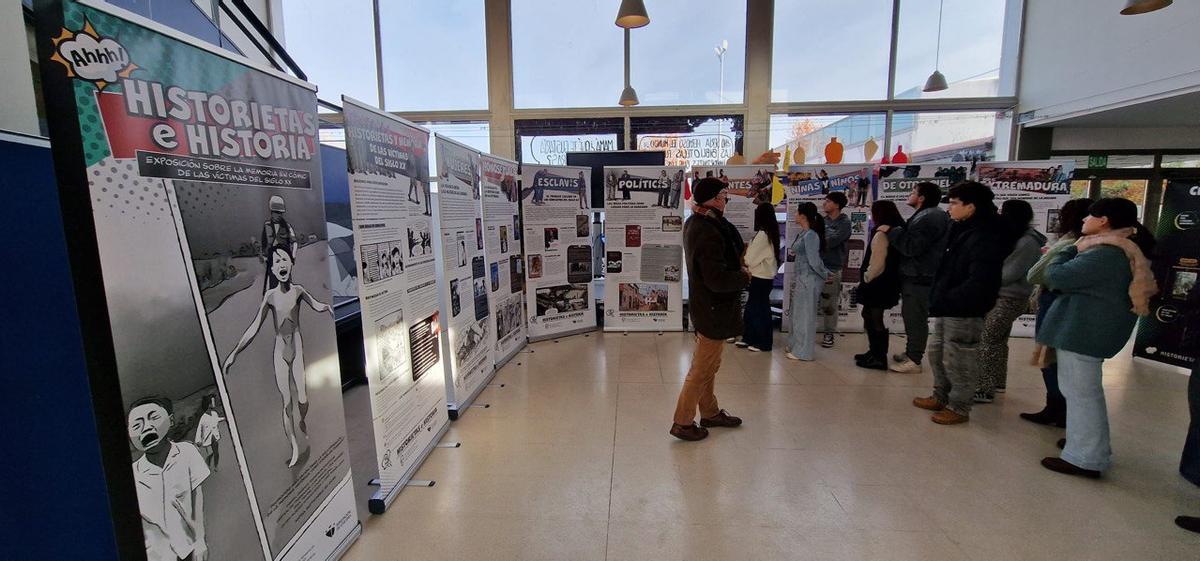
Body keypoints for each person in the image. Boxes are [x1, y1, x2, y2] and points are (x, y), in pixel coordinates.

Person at [1038, 197, 1157, 478]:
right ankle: (1086, 444)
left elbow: (1055, 276)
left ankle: (1086, 457)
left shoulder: (1105, 252)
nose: (1082, 221)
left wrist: (1065, 252)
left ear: (1103, 221)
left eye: (1088, 216)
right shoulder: (1116, 249)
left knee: (1082, 395)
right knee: (1082, 393)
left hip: (1085, 331)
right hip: (1087, 329)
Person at [223, 246, 333, 467]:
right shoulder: (270, 296)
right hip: (280, 351)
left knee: (302, 398)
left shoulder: (298, 291)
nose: (281, 264)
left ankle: (302, 420)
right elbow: (255, 326)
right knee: (286, 402)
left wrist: (328, 307)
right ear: (272, 269)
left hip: (297, 346)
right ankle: (293, 447)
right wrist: (234, 353)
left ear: (291, 264)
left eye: (284, 259)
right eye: (276, 261)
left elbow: (316, 304)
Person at [911, 181, 1006, 425]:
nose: (949, 208)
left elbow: (980, 279)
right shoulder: (959, 228)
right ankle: (940, 395)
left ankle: (959, 406)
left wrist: (952, 297)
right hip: (947, 304)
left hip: (965, 308)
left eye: (954, 203)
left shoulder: (985, 235)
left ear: (971, 206)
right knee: (938, 354)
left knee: (960, 359)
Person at [672, 177, 749, 441]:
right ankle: (682, 422)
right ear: (715, 199)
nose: (726, 199)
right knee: (702, 369)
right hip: (713, 308)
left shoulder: (701, 222)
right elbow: (715, 278)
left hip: (710, 307)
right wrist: (743, 277)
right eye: (724, 195)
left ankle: (710, 412)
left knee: (709, 366)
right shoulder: (707, 229)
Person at [1020, 198, 1093, 427]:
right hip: (1065, 302)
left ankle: (1058, 410)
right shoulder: (1089, 245)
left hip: (1055, 301)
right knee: (1055, 360)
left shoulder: (1069, 244)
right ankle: (1055, 408)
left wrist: (1053, 255)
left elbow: (1036, 274)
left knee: (1051, 358)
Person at [974, 200, 1046, 403]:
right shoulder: (1020, 238)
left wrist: (986, 274)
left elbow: (1010, 273)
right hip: (1006, 296)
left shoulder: (1026, 242)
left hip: (1010, 297)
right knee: (998, 340)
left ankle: (984, 388)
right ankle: (997, 382)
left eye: (1003, 211)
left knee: (988, 339)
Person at [127, 396, 210, 561]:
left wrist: (200, 540)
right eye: (137, 425)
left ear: (170, 420)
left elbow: (196, 498)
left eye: (154, 417)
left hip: (188, 548)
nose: (147, 428)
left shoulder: (187, 452)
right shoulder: (134, 474)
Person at [885, 182, 951, 373]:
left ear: (922, 197)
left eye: (913, 192)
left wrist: (893, 232)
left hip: (921, 276)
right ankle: (911, 352)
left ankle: (914, 358)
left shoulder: (930, 217)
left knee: (915, 317)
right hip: (915, 274)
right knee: (911, 316)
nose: (910, 195)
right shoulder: (926, 216)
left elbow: (912, 247)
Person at [854, 200, 904, 370]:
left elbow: (877, 261)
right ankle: (874, 352)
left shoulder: (882, 233)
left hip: (878, 283)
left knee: (874, 318)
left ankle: (879, 356)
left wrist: (867, 277)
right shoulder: (894, 231)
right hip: (886, 282)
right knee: (869, 315)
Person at [786, 202, 830, 361]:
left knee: (805, 316)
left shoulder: (811, 235)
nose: (795, 215)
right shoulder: (804, 233)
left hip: (808, 280)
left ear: (803, 215)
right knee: (797, 315)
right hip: (802, 279)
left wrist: (825, 274)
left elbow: (814, 260)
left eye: (797, 212)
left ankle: (803, 351)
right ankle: (795, 345)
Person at [738, 203, 780, 352]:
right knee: (752, 308)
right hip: (761, 276)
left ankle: (763, 342)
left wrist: (746, 257)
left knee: (759, 309)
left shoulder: (763, 235)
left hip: (760, 277)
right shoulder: (768, 233)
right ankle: (749, 337)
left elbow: (750, 258)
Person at [818, 192, 851, 348]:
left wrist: (820, 242)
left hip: (832, 267)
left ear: (837, 205)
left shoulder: (844, 222)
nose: (825, 203)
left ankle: (829, 332)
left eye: (828, 201)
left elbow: (834, 240)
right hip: (816, 266)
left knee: (829, 303)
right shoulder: (821, 221)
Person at [261, 195, 298, 293]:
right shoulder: (267, 226)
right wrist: (265, 257)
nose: (280, 215)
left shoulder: (287, 226)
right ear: (272, 212)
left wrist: (293, 256)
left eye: (281, 213)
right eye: (277, 212)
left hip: (285, 259)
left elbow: (294, 242)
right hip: (272, 261)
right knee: (273, 286)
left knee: (287, 285)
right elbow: (264, 243)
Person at [193, 394, 225, 471]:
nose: (214, 404)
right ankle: (207, 464)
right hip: (207, 437)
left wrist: (224, 418)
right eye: (212, 402)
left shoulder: (214, 413)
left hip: (214, 435)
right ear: (209, 404)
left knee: (216, 452)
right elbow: (199, 429)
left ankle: (216, 466)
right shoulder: (203, 418)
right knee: (211, 453)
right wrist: (198, 440)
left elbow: (216, 419)